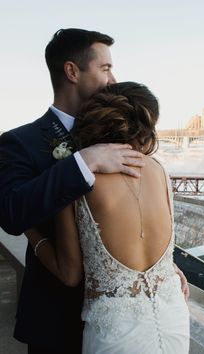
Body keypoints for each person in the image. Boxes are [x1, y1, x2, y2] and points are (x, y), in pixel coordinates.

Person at [0, 28, 188, 354]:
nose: (113, 79)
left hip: (126, 321)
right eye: (105, 68)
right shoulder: (19, 142)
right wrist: (82, 162)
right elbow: (10, 213)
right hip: (56, 320)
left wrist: (157, 270)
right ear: (72, 71)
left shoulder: (125, 140)